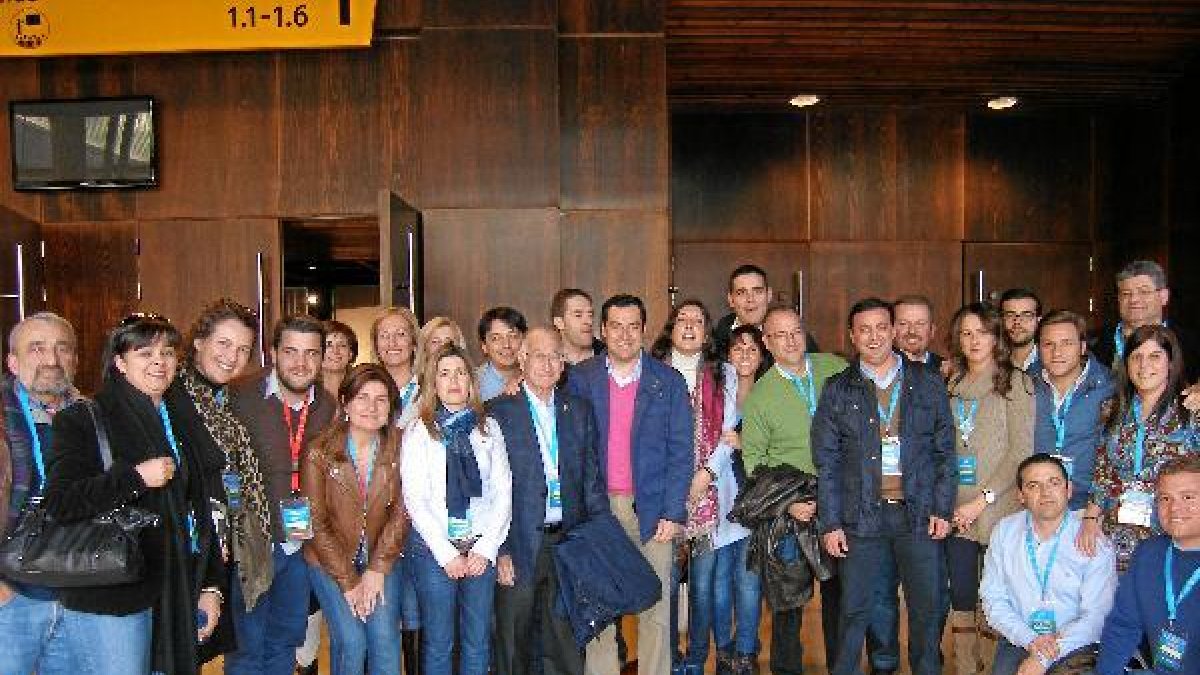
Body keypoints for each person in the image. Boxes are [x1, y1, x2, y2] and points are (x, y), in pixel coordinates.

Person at [44, 313, 224, 674]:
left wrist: (212, 586)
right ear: (119, 362)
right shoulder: (83, 419)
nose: (159, 361)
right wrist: (136, 478)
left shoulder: (183, 419)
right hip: (114, 593)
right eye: (145, 353)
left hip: (178, 586)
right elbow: (61, 504)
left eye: (168, 352)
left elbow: (203, 509)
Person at [813, 297, 956, 675]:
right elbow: (826, 462)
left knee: (926, 608)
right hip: (861, 517)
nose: (873, 336)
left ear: (894, 331)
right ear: (851, 336)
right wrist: (830, 523)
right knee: (857, 610)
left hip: (920, 514)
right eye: (864, 329)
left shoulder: (927, 382)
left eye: (881, 328)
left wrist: (943, 508)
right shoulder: (837, 390)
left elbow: (945, 450)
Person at [567, 293, 693, 675]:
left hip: (652, 510)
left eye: (632, 326)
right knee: (600, 607)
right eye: (616, 326)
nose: (624, 335)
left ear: (644, 330)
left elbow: (681, 452)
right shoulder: (579, 379)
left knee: (657, 606)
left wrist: (674, 512)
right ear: (603, 331)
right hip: (597, 509)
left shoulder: (668, 382)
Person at [491, 327, 609, 675]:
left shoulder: (579, 410)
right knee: (515, 639)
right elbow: (490, 491)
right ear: (523, 359)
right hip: (521, 542)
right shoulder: (499, 412)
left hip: (569, 541)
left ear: (564, 362)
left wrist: (596, 540)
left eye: (555, 356)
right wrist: (500, 550)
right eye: (538, 355)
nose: (547, 364)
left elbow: (591, 481)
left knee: (565, 638)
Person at [226, 315, 338, 675]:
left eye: (311, 353)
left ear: (322, 359)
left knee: (285, 641)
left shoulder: (330, 407)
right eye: (290, 352)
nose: (301, 364)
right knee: (246, 646)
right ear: (272, 352)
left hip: (301, 545)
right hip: (252, 544)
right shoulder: (240, 397)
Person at [739, 306, 848, 674]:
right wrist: (789, 503)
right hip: (792, 509)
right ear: (766, 342)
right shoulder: (761, 395)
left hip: (838, 503)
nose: (790, 341)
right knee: (787, 606)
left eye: (796, 332)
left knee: (840, 600)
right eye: (780, 335)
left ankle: (841, 667)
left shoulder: (834, 367)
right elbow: (753, 462)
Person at [402, 344, 512, 675]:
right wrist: (445, 553)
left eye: (461, 373)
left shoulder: (489, 428)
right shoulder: (419, 431)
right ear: (432, 382)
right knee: (438, 643)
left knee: (478, 641)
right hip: (434, 550)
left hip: (480, 546)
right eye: (444, 373)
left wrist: (486, 548)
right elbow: (415, 498)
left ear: (471, 382)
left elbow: (503, 491)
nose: (453, 380)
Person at [177, 299, 272, 665]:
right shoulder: (175, 397)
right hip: (189, 551)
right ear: (199, 341)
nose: (232, 357)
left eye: (243, 349)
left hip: (220, 544)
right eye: (223, 344)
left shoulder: (224, 401)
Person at [944, 303, 1035, 675]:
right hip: (957, 507)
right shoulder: (951, 383)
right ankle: (966, 666)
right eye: (966, 333)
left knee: (997, 594)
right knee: (962, 592)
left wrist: (983, 500)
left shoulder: (1018, 382)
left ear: (996, 336)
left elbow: (1021, 452)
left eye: (982, 332)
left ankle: (996, 667)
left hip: (1000, 506)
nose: (974, 340)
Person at [302, 363, 410, 675]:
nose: (371, 407)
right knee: (351, 641)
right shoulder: (319, 451)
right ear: (346, 402)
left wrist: (377, 569)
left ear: (391, 407)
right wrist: (349, 582)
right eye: (362, 397)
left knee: (386, 640)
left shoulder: (402, 445)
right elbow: (316, 523)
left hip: (383, 556)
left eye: (381, 399)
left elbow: (403, 512)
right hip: (329, 561)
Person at [649, 300, 737, 672]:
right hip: (660, 494)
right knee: (665, 586)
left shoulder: (724, 374)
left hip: (708, 494)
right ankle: (669, 657)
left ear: (706, 331)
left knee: (701, 587)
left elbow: (731, 429)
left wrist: (706, 473)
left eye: (697, 321)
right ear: (670, 327)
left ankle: (697, 659)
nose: (689, 326)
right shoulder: (650, 371)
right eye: (681, 320)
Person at [980, 454, 1116, 675]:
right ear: (1021, 496)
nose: (1045, 493)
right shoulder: (1004, 532)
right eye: (1034, 485)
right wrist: (1030, 639)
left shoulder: (1094, 541)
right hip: (1020, 638)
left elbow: (1097, 616)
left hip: (1076, 644)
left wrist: (1043, 657)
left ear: (1069, 490)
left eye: (1054, 483)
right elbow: (993, 598)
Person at [1079, 324, 1198, 571]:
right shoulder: (1112, 409)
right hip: (1116, 530)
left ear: (1171, 363)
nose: (1144, 366)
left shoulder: (1192, 411)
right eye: (1137, 357)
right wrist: (1090, 518)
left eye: (1155, 356)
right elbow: (1103, 470)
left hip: (1172, 527)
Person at [0, 312, 81, 674]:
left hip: (78, 591)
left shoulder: (93, 418)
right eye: (37, 349)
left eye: (61, 349)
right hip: (11, 596)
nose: (51, 360)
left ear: (75, 361)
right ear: (13, 362)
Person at [1096, 456, 1200, 674]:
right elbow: (1122, 627)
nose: (1174, 508)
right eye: (1165, 499)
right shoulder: (1148, 553)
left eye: (1188, 497)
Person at [707, 324, 770, 673]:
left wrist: (749, 445)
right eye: (737, 348)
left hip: (753, 500)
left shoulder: (770, 390)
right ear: (727, 353)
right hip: (716, 496)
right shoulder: (717, 389)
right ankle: (725, 651)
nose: (744, 355)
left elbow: (779, 447)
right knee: (719, 583)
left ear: (762, 355)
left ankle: (746, 651)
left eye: (752, 349)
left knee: (748, 582)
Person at [370, 307, 424, 672]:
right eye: (384, 335)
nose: (392, 342)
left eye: (400, 334)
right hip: (377, 517)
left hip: (422, 517)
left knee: (418, 614)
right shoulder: (366, 390)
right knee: (384, 617)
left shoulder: (431, 388)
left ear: (414, 341)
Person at [1032, 310, 1116, 510]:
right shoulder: (1023, 385)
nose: (1057, 352)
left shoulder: (1109, 387)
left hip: (1088, 506)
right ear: (1038, 348)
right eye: (1048, 344)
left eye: (1066, 343)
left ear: (1083, 347)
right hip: (1035, 503)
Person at [1091, 260, 1200, 383]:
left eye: (1144, 292)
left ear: (1164, 296)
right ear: (1119, 299)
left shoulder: (1191, 344)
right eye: (1126, 293)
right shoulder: (1092, 344)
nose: (1134, 299)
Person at [712, 264, 818, 357]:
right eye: (742, 292)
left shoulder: (795, 335)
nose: (750, 299)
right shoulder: (717, 337)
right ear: (731, 300)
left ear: (769, 295)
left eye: (757, 291)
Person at [477, 307, 528, 402]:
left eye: (513, 336)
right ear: (484, 346)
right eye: (496, 338)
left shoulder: (540, 375)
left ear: (525, 340)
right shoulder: (474, 384)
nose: (506, 345)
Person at [550, 288, 604, 365]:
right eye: (578, 315)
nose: (589, 321)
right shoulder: (548, 362)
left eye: (590, 315)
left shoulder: (609, 357)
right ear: (559, 322)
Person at [893, 295, 943, 371]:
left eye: (920, 324)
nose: (912, 331)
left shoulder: (949, 372)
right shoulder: (875, 369)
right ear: (892, 330)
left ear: (932, 330)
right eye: (903, 323)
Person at [1000, 288, 1042, 373]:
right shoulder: (992, 363)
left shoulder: (1051, 362)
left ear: (1038, 320)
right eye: (1010, 315)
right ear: (1001, 319)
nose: (1017, 322)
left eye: (1026, 315)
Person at [321, 320, 359, 398]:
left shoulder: (363, 386)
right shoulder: (303, 388)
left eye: (342, 345)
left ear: (350, 354)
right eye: (328, 345)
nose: (335, 351)